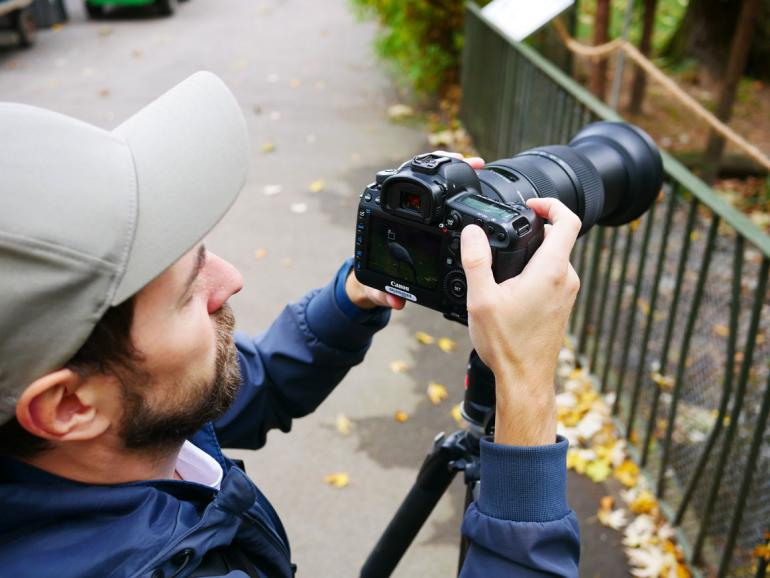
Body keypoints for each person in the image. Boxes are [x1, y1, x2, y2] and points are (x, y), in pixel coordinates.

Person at [0, 71, 581, 577]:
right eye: (186, 293)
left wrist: (357, 293)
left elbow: (252, 387)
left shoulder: (115, 429)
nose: (229, 281)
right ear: (67, 407)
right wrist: (525, 385)